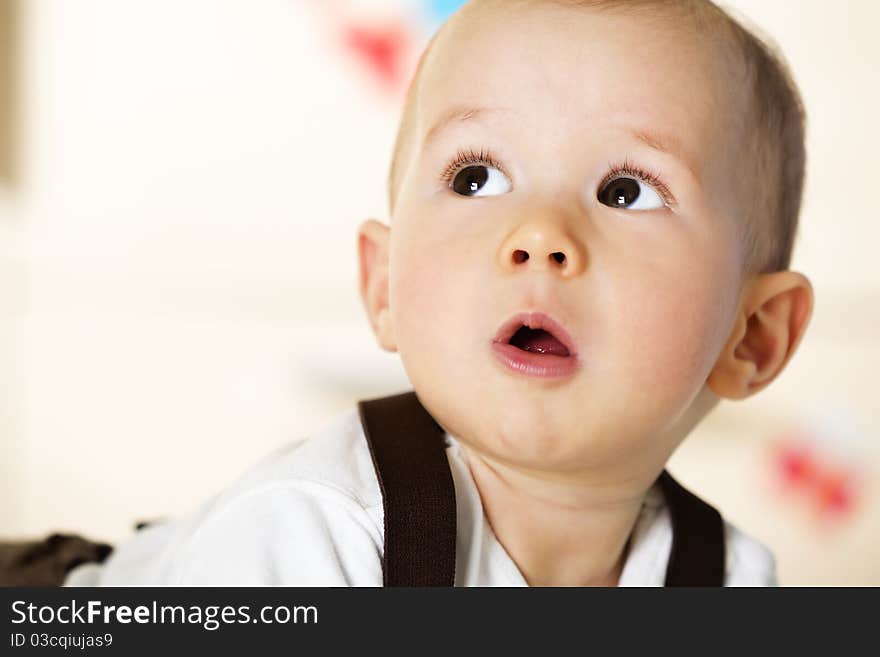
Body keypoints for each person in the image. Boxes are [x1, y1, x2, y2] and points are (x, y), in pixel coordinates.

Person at [65, 0, 813, 587]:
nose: (540, 233)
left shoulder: (726, 579)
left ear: (752, 335)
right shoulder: (314, 536)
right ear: (383, 283)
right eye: (475, 177)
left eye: (625, 191)